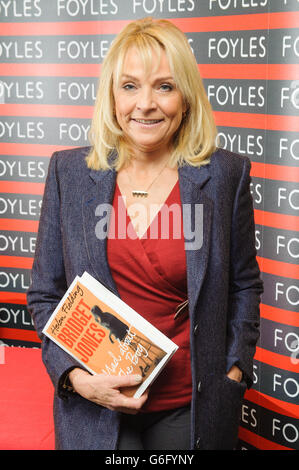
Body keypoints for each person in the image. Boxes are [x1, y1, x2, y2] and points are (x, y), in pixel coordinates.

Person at [27, 17, 263, 450]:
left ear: (186, 97)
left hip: (190, 407)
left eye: (165, 87)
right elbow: (45, 295)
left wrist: (234, 371)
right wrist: (76, 379)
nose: (145, 104)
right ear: (112, 96)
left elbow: (244, 284)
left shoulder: (226, 174)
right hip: (94, 407)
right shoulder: (69, 172)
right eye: (130, 86)